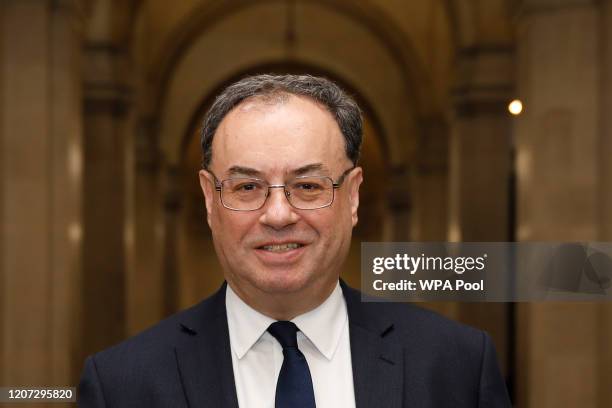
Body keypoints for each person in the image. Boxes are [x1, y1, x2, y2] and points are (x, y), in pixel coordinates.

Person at [78, 74, 511, 407]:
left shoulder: (457, 366)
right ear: (211, 198)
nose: (279, 215)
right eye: (247, 188)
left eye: (308, 186)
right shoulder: (120, 385)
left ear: (353, 196)